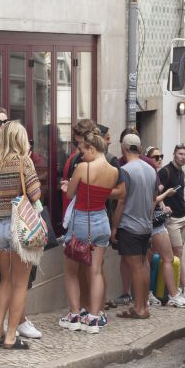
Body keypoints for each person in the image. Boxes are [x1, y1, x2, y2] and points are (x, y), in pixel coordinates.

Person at [0, 121, 42, 350]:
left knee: (5, 280)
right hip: (19, 227)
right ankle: (10, 336)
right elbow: (35, 193)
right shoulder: (23, 161)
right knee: (20, 283)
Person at [59, 127, 118, 333]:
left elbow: (70, 194)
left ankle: (75, 315)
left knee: (71, 271)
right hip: (102, 220)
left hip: (82, 220)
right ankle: (93, 318)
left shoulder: (83, 167)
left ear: (92, 148)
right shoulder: (114, 171)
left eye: (83, 151)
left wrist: (66, 187)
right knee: (96, 271)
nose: (81, 155)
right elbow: (107, 194)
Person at [112, 133, 156, 319]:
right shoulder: (151, 169)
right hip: (146, 225)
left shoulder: (126, 170)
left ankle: (139, 308)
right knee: (143, 265)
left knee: (136, 267)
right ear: (139, 148)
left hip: (130, 225)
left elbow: (121, 201)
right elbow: (153, 199)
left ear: (123, 148)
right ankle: (143, 305)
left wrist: (114, 227)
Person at [145, 146, 185, 308]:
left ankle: (172, 294)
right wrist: (166, 197)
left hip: (158, 222)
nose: (159, 160)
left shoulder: (157, 175)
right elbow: (152, 199)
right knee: (148, 259)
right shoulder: (156, 174)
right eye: (155, 157)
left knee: (166, 258)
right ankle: (148, 294)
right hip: (147, 223)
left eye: (160, 156)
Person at [158, 143, 185, 302]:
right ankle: (183, 288)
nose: (183, 157)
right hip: (172, 220)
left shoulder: (182, 172)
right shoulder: (165, 172)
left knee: (179, 254)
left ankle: (178, 287)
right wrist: (162, 205)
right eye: (180, 154)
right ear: (174, 154)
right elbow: (156, 192)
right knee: (177, 254)